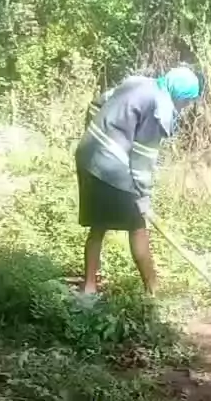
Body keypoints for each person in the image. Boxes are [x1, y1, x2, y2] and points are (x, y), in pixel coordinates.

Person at [75, 66, 202, 297]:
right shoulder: (159, 109)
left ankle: (89, 289)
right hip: (111, 166)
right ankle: (153, 293)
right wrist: (142, 198)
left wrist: (95, 134)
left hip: (87, 154)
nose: (185, 106)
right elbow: (142, 160)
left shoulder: (138, 83)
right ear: (179, 94)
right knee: (137, 228)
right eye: (186, 101)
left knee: (98, 225)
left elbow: (97, 103)